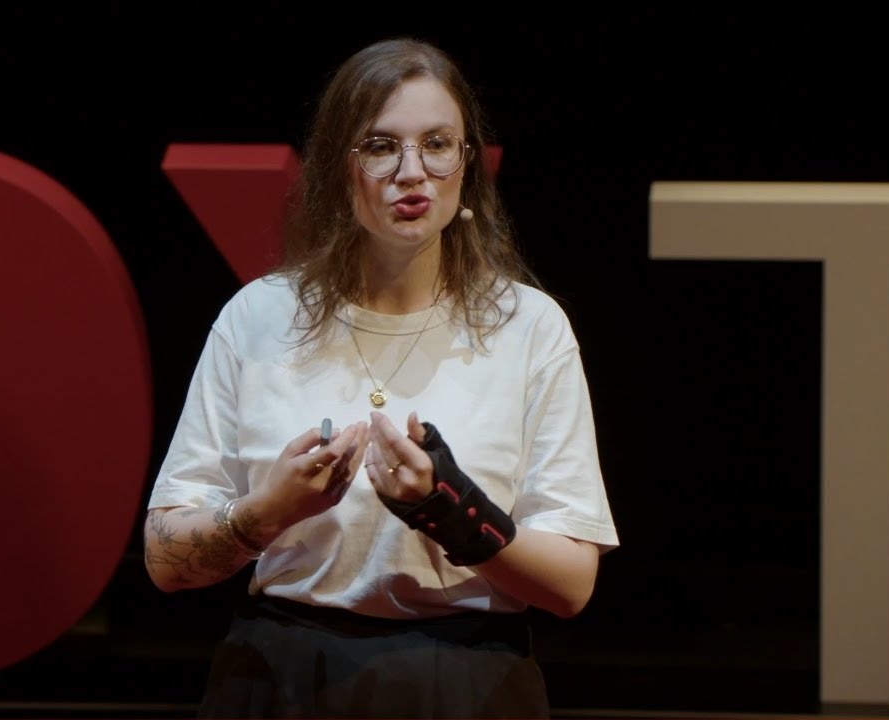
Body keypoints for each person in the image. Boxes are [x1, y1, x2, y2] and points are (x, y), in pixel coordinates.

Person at [143, 36, 619, 719]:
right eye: (379, 145)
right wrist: (266, 513)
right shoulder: (259, 317)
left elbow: (572, 585)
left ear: (467, 165)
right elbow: (164, 559)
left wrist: (451, 511)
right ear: (341, 168)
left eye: (436, 144)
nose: (411, 171)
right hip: (280, 676)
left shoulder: (528, 326)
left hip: (466, 681)